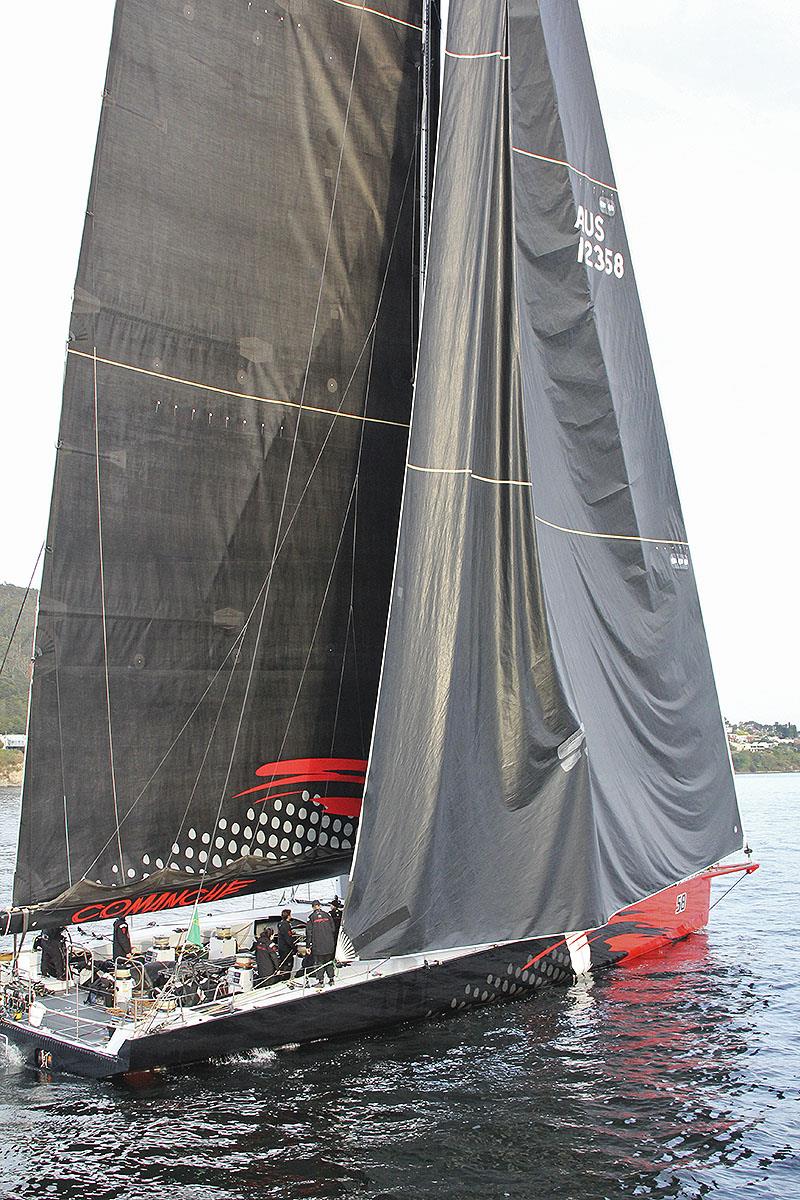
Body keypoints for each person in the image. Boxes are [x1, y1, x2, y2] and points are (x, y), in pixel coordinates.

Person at [305, 899, 336, 987]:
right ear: (320, 906)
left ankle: (321, 981)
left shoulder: (311, 917)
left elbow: (309, 932)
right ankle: (331, 979)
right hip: (329, 944)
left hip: (318, 945)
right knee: (329, 962)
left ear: (313, 907)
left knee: (319, 963)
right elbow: (333, 929)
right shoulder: (327, 915)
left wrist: (308, 946)